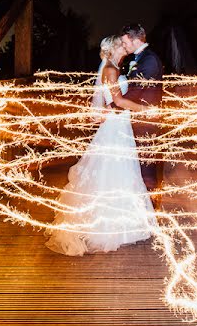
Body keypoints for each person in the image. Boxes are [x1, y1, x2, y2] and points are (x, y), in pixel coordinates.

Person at [44, 35, 157, 256]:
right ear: (114, 48)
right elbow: (118, 101)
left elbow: (110, 102)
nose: (125, 46)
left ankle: (122, 226)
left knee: (119, 171)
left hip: (118, 123)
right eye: (121, 44)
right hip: (116, 126)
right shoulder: (111, 70)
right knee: (116, 171)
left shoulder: (112, 67)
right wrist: (145, 110)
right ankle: (111, 227)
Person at [116, 23, 165, 198]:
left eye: (125, 42)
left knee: (147, 167)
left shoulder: (149, 60)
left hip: (147, 122)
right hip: (139, 118)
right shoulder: (141, 58)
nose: (124, 46)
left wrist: (114, 105)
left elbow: (136, 90)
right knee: (142, 165)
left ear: (135, 40)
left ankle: (151, 206)